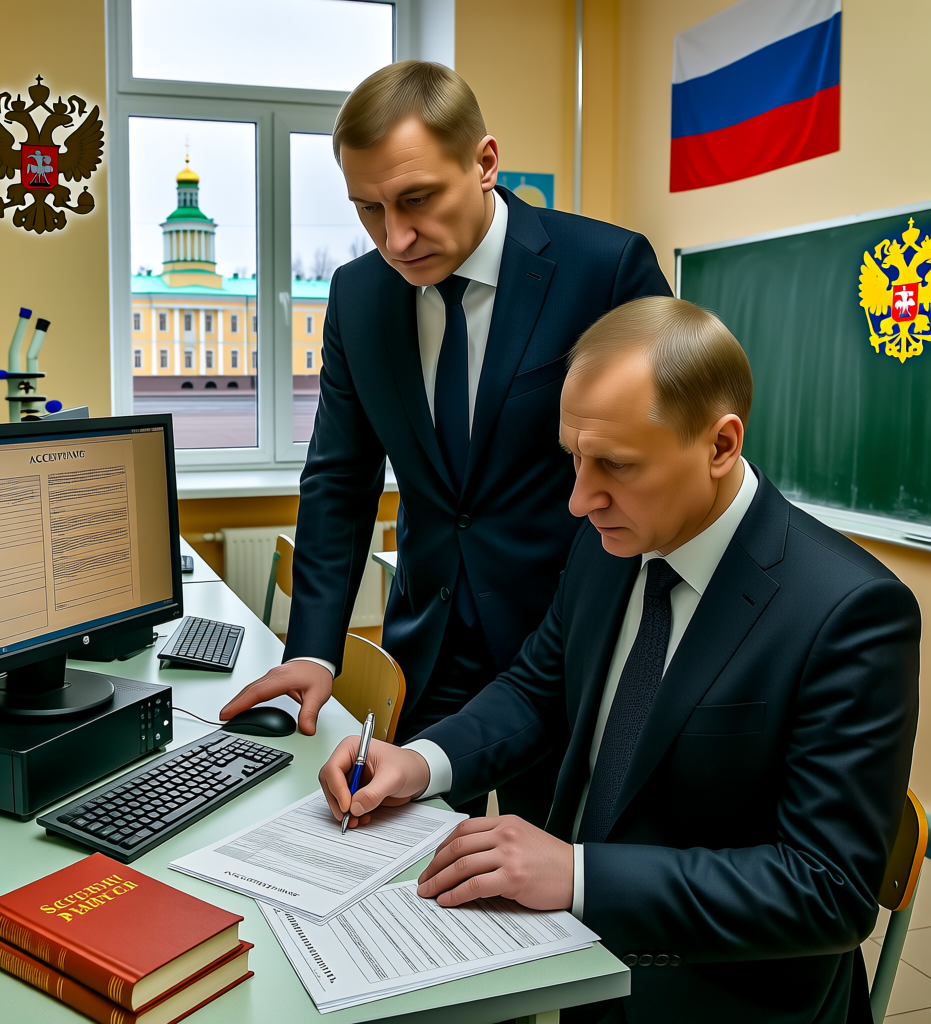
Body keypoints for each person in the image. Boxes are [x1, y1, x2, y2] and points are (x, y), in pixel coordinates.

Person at [317, 296, 920, 1023]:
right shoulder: (612, 542)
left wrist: (578, 875)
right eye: (574, 458)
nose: (579, 499)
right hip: (577, 961)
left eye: (617, 465)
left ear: (721, 445)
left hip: (718, 994)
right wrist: (420, 762)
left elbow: (827, 890)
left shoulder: (850, 611)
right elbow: (539, 690)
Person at [220, 62, 670, 818]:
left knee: (544, 871)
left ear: (485, 163)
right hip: (430, 648)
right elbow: (339, 479)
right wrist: (314, 649)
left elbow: (655, 473)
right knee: (391, 850)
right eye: (368, 209)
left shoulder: (604, 270)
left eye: (417, 199)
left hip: (566, 651)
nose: (395, 238)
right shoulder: (359, 295)